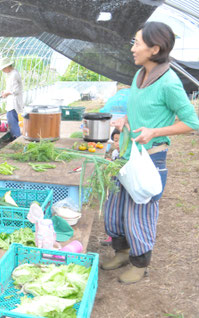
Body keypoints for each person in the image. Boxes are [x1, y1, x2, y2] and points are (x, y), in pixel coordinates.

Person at [101, 21, 199, 284]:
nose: (133, 48)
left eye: (138, 43)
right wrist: (125, 124)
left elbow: (192, 122)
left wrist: (155, 132)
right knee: (116, 206)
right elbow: (140, 112)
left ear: (155, 48)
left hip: (150, 157)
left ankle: (140, 262)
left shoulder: (169, 82)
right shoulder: (139, 75)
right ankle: (121, 251)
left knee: (140, 211)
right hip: (127, 153)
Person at [0, 57, 23, 140]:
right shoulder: (11, 74)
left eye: (3, 69)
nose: (3, 71)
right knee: (11, 118)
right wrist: (5, 91)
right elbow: (11, 87)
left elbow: (16, 90)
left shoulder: (14, 74)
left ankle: (16, 137)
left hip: (14, 101)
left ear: (7, 67)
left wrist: (7, 93)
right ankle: (14, 136)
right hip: (11, 100)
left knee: (12, 118)